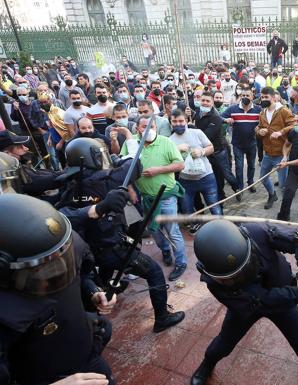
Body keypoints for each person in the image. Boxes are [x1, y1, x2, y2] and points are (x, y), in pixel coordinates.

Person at [60, 138, 187, 327]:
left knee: (104, 271)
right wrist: (121, 155)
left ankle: (99, 299)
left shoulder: (69, 183)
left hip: (91, 247)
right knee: (154, 272)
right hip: (110, 245)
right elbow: (134, 166)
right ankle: (162, 317)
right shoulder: (104, 179)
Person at [189, 219, 298, 385]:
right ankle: (207, 364)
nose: (239, 278)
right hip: (247, 307)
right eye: (230, 278)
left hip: (282, 300)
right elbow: (265, 299)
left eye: (244, 269)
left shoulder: (257, 231)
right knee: (223, 344)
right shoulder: (213, 282)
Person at [0, 194, 118, 385]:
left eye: (62, 261)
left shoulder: (58, 250)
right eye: (42, 272)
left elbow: (80, 277)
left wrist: (92, 292)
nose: (58, 272)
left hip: (85, 351)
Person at [120, 116, 188, 279]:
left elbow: (180, 165)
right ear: (137, 129)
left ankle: (181, 262)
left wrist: (158, 170)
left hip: (166, 196)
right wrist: (130, 189)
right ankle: (165, 251)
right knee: (154, 230)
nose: (149, 130)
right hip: (145, 198)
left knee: (173, 231)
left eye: (152, 127)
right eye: (144, 126)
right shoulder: (132, 144)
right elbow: (124, 167)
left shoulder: (166, 142)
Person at [168, 109, 222, 220]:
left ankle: (222, 228)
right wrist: (176, 150)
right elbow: (167, 161)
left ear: (186, 121)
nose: (178, 124)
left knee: (214, 207)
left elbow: (211, 147)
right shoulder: (169, 141)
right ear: (170, 123)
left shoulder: (196, 133)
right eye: (174, 121)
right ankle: (195, 226)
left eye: (181, 121)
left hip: (206, 177)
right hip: (186, 181)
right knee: (187, 209)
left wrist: (201, 152)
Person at [194, 91, 240, 200]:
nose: (205, 103)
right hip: (206, 152)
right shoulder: (197, 112)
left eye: (207, 101)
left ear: (212, 102)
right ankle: (221, 196)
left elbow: (205, 136)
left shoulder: (216, 117)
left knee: (226, 174)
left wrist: (192, 128)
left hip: (218, 151)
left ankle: (237, 188)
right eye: (203, 100)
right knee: (215, 176)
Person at [256, 86, 294, 209]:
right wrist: (259, 131)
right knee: (263, 178)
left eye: (266, 97)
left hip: (281, 153)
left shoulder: (283, 111)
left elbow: (293, 125)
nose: (263, 99)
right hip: (267, 153)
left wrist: (281, 132)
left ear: (273, 97)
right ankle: (272, 195)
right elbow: (259, 127)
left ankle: (285, 207)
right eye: (262, 97)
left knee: (283, 184)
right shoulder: (262, 113)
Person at [221, 87, 262, 194]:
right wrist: (226, 119)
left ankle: (251, 182)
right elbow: (219, 117)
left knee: (252, 165)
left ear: (252, 97)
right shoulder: (233, 109)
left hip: (252, 143)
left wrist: (260, 128)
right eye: (243, 95)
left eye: (247, 95)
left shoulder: (258, 110)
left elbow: (265, 122)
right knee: (239, 167)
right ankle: (240, 188)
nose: (245, 97)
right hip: (237, 144)